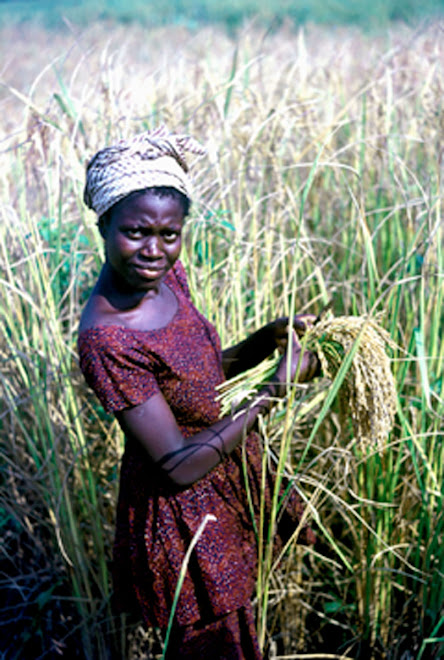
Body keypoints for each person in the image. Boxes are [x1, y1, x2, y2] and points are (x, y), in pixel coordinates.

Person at [78, 126, 319, 659]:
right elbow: (177, 465)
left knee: (240, 639)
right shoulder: (108, 337)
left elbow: (198, 376)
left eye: (169, 234)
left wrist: (265, 340)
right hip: (185, 526)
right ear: (103, 224)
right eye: (136, 232)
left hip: (223, 491)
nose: (155, 250)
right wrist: (273, 393)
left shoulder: (165, 276)